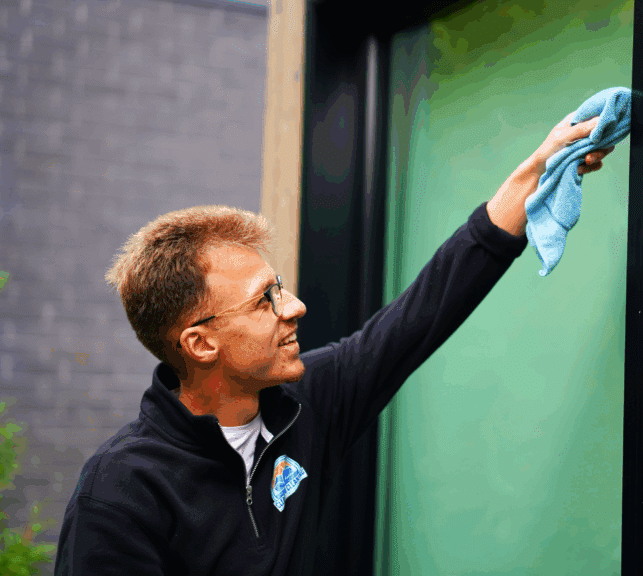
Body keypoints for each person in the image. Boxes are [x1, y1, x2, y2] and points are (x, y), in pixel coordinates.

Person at [54, 117, 614, 575]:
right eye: (264, 301)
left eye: (279, 287)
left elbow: (424, 312)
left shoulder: (306, 405)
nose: (294, 307)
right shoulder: (120, 491)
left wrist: (536, 172)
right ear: (201, 344)